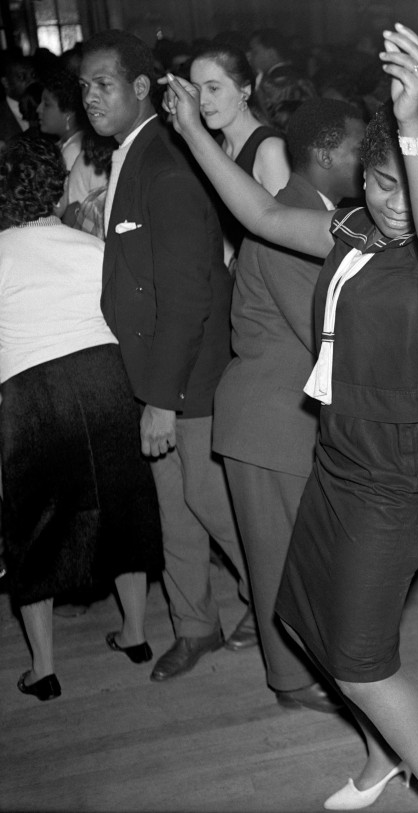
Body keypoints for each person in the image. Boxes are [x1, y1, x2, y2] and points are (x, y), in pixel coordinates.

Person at [164, 24, 418, 812]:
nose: (393, 200)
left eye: (406, 183)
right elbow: (266, 218)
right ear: (359, 182)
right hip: (339, 458)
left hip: (399, 473)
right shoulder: (354, 236)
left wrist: (413, 124)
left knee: (363, 659)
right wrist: (191, 136)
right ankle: (382, 755)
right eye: (378, 181)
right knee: (301, 612)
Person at [79, 30, 249, 683]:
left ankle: (288, 605)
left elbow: (187, 296)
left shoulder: (167, 164)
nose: (91, 96)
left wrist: (160, 398)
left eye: (104, 83)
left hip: (189, 375)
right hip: (157, 369)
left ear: (142, 87)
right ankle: (196, 624)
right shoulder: (135, 153)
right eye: (85, 86)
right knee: (175, 508)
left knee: (209, 501)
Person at [213, 97, 364, 713]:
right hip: (270, 421)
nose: (368, 159)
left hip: (286, 417)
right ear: (325, 154)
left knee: (302, 558)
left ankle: (313, 672)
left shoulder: (317, 212)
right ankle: (295, 684)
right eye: (359, 148)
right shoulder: (290, 220)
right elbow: (326, 331)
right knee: (279, 562)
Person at [0, 136, 162, 701]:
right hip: (104, 381)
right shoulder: (90, 247)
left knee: (34, 529)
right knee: (123, 508)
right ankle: (136, 635)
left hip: (30, 395)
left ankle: (44, 669)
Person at [189, 43, 290, 269]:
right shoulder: (215, 145)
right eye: (197, 89)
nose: (202, 101)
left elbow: (285, 239)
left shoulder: (270, 150)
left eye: (213, 88)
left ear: (245, 90)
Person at [36, 69, 85, 171]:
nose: (38, 109)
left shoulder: (73, 151)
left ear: (68, 113)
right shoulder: (66, 144)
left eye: (46, 104)